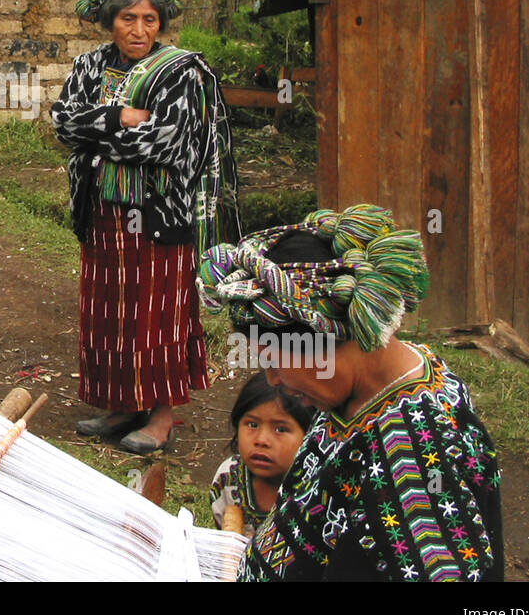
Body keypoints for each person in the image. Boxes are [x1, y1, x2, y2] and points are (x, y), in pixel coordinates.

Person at [198, 204, 504, 581]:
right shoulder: (389, 377)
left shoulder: (414, 464)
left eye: (275, 364)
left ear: (327, 346)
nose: (273, 380)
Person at [53, 0, 239, 454]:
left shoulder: (182, 71)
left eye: (149, 20)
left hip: (158, 215)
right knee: (109, 308)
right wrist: (120, 118)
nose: (138, 29)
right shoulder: (90, 64)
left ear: (161, 23)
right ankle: (121, 404)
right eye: (127, 18)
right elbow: (64, 125)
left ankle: (160, 414)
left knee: (158, 311)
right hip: (101, 211)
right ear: (110, 20)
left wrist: (101, 129)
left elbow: (167, 145)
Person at [209, 370, 313, 535]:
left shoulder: (316, 490)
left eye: (280, 429)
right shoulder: (228, 479)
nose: (261, 440)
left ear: (310, 435)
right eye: (252, 425)